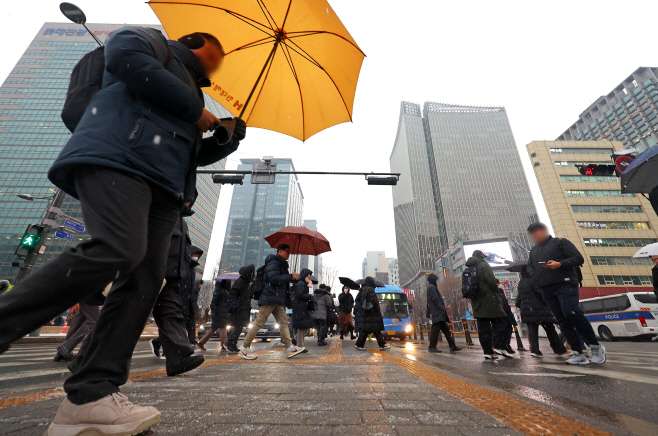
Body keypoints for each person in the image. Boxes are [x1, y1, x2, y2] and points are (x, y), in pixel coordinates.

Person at [0, 27, 244, 435]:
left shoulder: (191, 93)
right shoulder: (150, 42)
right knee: (118, 248)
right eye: (217, 55)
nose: (218, 65)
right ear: (196, 44)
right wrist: (193, 110)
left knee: (144, 280)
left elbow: (186, 152)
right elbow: (124, 59)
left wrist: (227, 141)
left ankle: (90, 394)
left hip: (163, 188)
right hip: (119, 158)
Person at [527, 222, 605, 365]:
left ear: (544, 231)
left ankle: (595, 346)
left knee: (571, 312)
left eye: (537, 232)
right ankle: (577, 352)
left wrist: (559, 264)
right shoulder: (534, 251)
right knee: (561, 319)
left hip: (565, 283)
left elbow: (578, 258)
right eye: (532, 234)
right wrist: (535, 276)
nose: (535, 235)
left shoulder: (560, 242)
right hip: (546, 288)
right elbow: (530, 267)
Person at [149, 213, 204, 376]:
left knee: (171, 314)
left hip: (171, 274)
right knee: (129, 314)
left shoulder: (180, 221)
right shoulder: (159, 205)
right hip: (151, 268)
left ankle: (176, 359)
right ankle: (88, 361)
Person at [240, 244, 305, 359]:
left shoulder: (281, 264)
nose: (289, 254)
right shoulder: (273, 261)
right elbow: (274, 278)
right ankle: (244, 348)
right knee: (259, 322)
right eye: (287, 252)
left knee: (283, 322)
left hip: (278, 299)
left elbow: (282, 282)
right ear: (280, 251)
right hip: (270, 297)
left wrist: (293, 279)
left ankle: (290, 348)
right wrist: (290, 276)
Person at [515, 265, 569, 357]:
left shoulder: (521, 283)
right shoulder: (534, 280)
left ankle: (535, 350)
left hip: (528, 311)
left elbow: (518, 300)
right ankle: (559, 350)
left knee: (532, 331)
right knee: (550, 330)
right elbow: (541, 294)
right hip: (541, 310)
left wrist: (525, 306)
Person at [465, 251, 509, 359]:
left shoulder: (469, 268)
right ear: (482, 257)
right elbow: (490, 281)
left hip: (477, 302)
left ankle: (488, 352)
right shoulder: (483, 265)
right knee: (501, 320)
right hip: (489, 300)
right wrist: (495, 291)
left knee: (483, 328)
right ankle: (498, 345)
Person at [54, 289, 106, 362]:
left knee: (79, 321)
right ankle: (66, 347)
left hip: (84, 294)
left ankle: (63, 350)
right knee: (93, 321)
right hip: (90, 295)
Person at [223, 265, 256, 353]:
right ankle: (229, 343)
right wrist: (234, 303)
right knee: (238, 327)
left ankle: (233, 344)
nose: (252, 274)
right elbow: (233, 293)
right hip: (240, 308)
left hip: (244, 308)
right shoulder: (240, 282)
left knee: (240, 327)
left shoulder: (246, 283)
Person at [426, 274, 461, 353]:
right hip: (437, 312)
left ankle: (452, 345)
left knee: (446, 330)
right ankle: (432, 347)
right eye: (436, 280)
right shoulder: (432, 287)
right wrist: (442, 307)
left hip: (437, 312)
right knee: (435, 330)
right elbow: (435, 299)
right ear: (433, 280)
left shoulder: (431, 287)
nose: (437, 281)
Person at [354, 277, 390, 351]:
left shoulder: (364, 290)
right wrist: (377, 307)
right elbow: (374, 301)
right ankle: (382, 345)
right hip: (372, 313)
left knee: (366, 330)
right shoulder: (370, 290)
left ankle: (359, 344)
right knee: (376, 330)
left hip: (367, 313)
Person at [197, 279, 232, 351]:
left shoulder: (225, 289)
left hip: (222, 312)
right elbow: (214, 302)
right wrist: (214, 311)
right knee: (223, 327)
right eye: (228, 280)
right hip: (219, 312)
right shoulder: (220, 290)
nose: (229, 282)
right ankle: (224, 344)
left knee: (213, 328)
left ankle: (201, 342)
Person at [179, 247, 204, 345]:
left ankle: (191, 341)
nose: (196, 257)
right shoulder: (184, 266)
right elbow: (182, 286)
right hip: (182, 302)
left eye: (198, 256)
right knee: (178, 326)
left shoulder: (192, 269)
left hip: (189, 305)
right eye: (195, 255)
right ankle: (160, 344)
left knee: (189, 325)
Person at [292, 268, 315, 349]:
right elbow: (300, 295)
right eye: (309, 275)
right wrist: (310, 295)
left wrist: (309, 287)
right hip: (300, 308)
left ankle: (296, 340)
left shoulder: (303, 284)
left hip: (302, 308)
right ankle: (299, 346)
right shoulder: (301, 284)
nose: (309, 277)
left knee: (305, 326)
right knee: (302, 326)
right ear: (305, 275)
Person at [496, 279, 517, 354]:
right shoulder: (498, 292)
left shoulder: (500, 291)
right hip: (502, 313)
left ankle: (505, 345)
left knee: (508, 328)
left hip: (504, 313)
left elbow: (505, 303)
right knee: (504, 329)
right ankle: (503, 345)